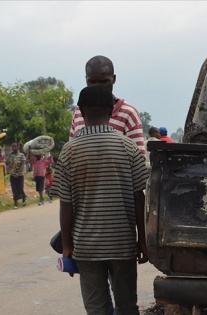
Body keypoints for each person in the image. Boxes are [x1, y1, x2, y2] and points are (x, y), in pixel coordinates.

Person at [54, 85, 149, 315]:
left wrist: (67, 246)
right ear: (110, 111)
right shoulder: (128, 147)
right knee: (127, 307)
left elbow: (66, 205)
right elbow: (140, 198)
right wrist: (143, 240)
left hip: (86, 248)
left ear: (81, 112)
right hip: (123, 245)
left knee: (96, 308)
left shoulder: (69, 151)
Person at [69, 55, 146, 155]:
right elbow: (71, 151)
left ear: (113, 79)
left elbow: (138, 157)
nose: (97, 86)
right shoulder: (79, 111)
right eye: (92, 81)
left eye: (103, 81)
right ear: (86, 79)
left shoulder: (128, 113)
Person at [6, 142, 27, 209]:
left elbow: (22, 165)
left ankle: (24, 197)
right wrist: (9, 156)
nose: (13, 148)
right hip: (12, 175)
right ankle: (15, 204)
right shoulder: (11, 155)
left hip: (20, 175)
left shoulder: (21, 155)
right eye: (12, 147)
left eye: (14, 146)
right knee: (14, 189)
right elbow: (7, 163)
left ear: (17, 147)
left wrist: (18, 173)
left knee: (20, 188)